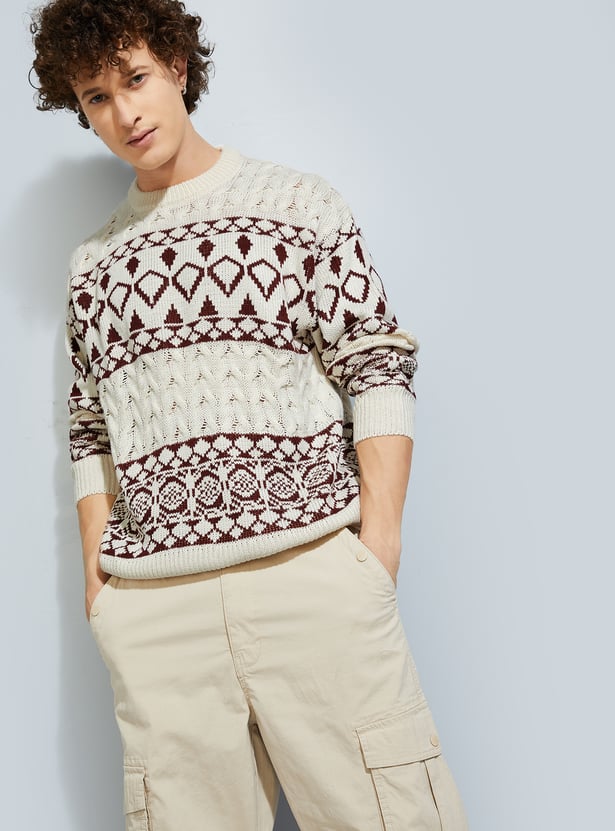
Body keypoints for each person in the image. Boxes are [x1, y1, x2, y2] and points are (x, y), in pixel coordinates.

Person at [30, 1, 469, 828]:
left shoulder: (298, 204)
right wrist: (100, 585)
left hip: (311, 582)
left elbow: (376, 362)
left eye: (135, 78)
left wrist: (375, 550)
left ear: (177, 65)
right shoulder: (92, 266)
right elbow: (90, 429)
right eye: (96, 97)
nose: (123, 113)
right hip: (159, 613)